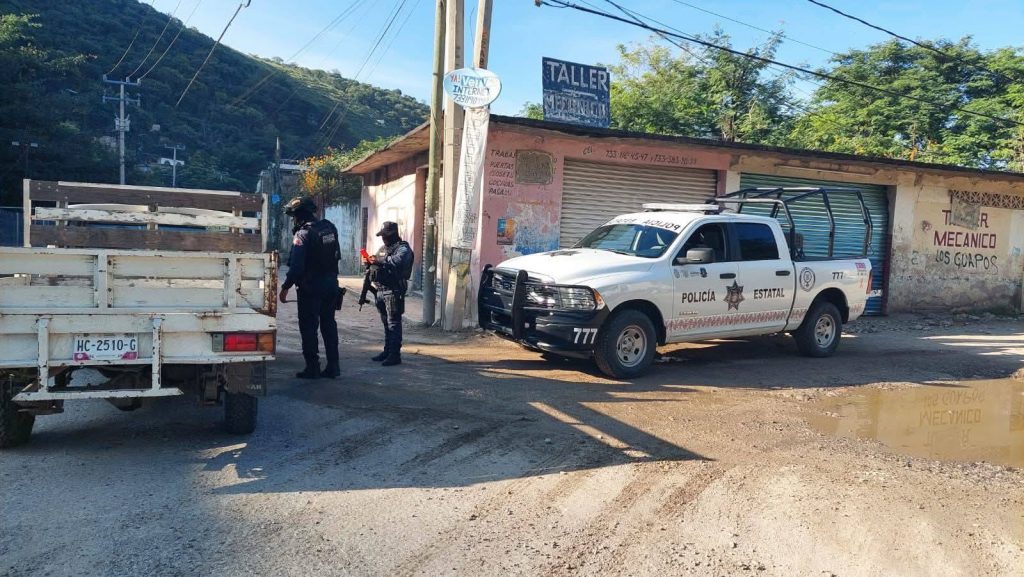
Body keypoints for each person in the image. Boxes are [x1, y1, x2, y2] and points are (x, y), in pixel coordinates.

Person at [278, 196, 341, 379]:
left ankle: (312, 368)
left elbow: (296, 267)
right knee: (329, 325)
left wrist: (285, 287)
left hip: (311, 288)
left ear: (299, 216)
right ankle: (333, 367)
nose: (293, 220)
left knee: (308, 328)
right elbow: (336, 255)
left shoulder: (303, 234)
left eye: (294, 216)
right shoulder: (329, 227)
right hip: (331, 285)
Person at [369, 221, 414, 366]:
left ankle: (395, 355)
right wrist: (370, 262)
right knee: (386, 324)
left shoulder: (403, 249)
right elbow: (377, 262)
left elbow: (396, 262)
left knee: (393, 323)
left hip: (394, 290)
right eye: (382, 236)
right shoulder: (383, 249)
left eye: (386, 236)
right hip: (381, 290)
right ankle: (387, 351)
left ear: (393, 235)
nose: (383, 239)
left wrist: (379, 260)